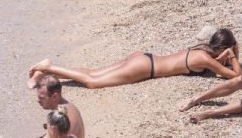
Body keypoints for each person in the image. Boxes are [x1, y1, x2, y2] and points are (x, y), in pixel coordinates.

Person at [27, 28, 239, 89]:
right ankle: (49, 68)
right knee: (93, 82)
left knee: (93, 72)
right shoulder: (206, 59)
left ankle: (49, 70)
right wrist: (232, 55)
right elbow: (235, 76)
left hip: (144, 57)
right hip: (145, 69)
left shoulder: (201, 49)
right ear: (222, 48)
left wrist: (229, 53)